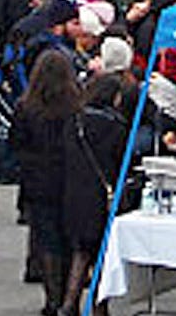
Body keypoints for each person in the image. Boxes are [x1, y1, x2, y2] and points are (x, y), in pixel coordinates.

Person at [11, 50, 82, 316]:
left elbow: (16, 145)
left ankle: (52, 299)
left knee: (47, 240)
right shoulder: (75, 105)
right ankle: (69, 299)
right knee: (69, 239)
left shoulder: (26, 107)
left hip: (37, 180)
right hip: (68, 179)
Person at [59, 74, 132, 316]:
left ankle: (70, 303)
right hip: (102, 194)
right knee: (101, 252)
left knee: (81, 251)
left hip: (74, 192)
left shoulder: (74, 120)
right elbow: (121, 161)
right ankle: (98, 305)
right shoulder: (116, 125)